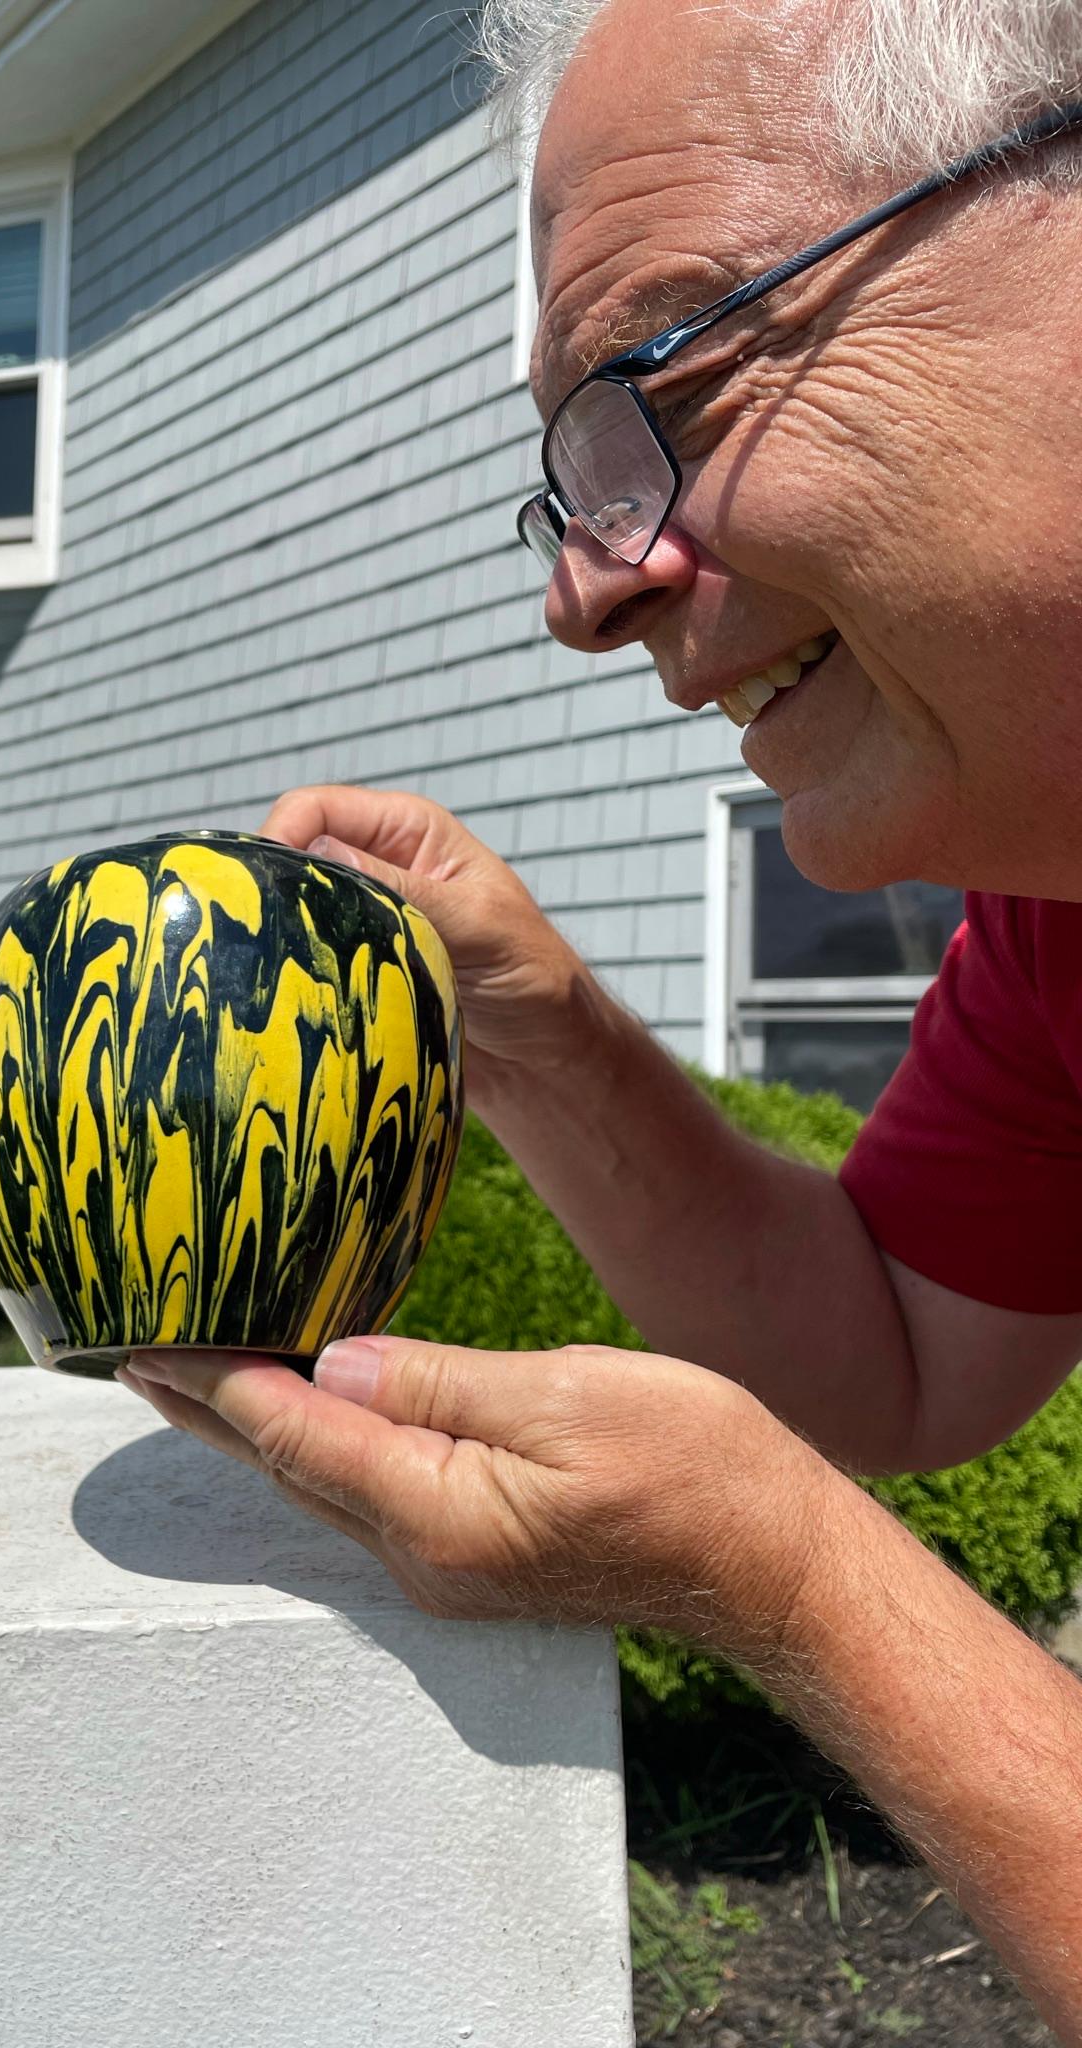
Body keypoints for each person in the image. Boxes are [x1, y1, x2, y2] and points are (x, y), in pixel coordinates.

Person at [117, 0, 1082, 2031]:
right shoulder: (1057, 927)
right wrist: (539, 1025)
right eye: (576, 478)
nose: (592, 586)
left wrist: (796, 1586)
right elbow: (897, 1356)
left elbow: (833, 1472)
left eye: (681, 372)